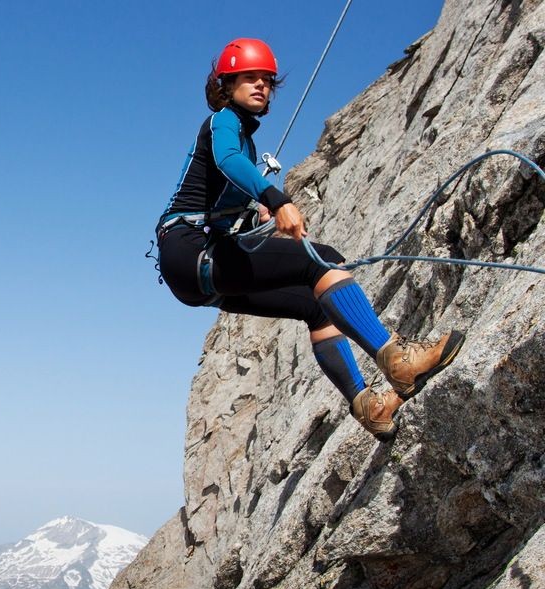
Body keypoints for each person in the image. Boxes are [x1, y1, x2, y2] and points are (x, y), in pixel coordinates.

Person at [156, 38, 465, 440]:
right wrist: (276, 200)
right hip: (191, 249)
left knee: (315, 308)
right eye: (248, 77)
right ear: (227, 86)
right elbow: (227, 161)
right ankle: (398, 359)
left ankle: (369, 407)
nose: (261, 85)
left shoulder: (242, 136)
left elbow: (219, 194)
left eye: (266, 80)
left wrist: (252, 213)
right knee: (322, 260)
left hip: (192, 269)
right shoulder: (223, 122)